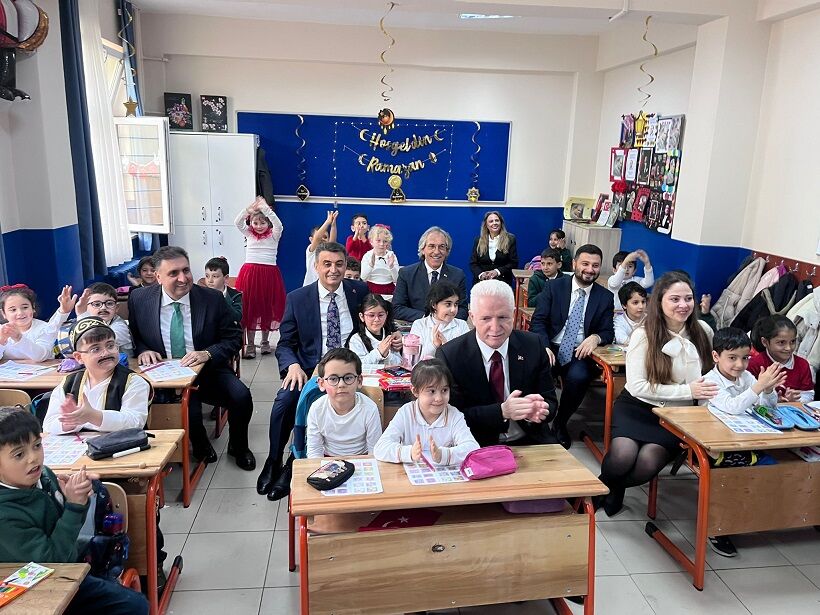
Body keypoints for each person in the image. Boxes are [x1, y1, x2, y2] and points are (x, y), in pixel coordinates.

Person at [0, 407, 149, 615]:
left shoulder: (43, 476)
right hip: (37, 588)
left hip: (64, 571)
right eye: (19, 454)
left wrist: (77, 495)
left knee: (134, 603)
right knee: (133, 606)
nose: (33, 458)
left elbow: (67, 534)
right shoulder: (5, 515)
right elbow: (52, 563)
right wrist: (74, 506)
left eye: (37, 445)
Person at [596, 272, 717, 517]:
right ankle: (602, 489)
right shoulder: (644, 334)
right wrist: (688, 390)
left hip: (675, 416)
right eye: (675, 299)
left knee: (647, 462)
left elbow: (710, 376)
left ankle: (609, 487)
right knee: (622, 456)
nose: (683, 305)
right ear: (659, 302)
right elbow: (637, 386)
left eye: (688, 298)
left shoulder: (703, 331)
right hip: (637, 407)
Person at [257, 242, 369, 501]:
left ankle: (294, 461)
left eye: (339, 264)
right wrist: (292, 365)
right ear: (316, 266)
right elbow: (285, 343)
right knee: (285, 401)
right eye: (327, 264)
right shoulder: (298, 298)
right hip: (309, 369)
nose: (333, 270)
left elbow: (374, 321)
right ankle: (274, 460)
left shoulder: (358, 291)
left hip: (349, 369)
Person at [128, 246, 254, 470]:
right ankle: (200, 443)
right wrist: (144, 349)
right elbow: (135, 335)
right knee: (189, 406)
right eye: (173, 273)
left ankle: (238, 446)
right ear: (158, 277)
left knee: (241, 396)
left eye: (186, 270)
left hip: (206, 370)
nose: (183, 278)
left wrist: (207, 353)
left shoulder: (211, 299)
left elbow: (233, 338)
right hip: (162, 375)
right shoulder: (139, 299)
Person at [436, 280, 558, 447]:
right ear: (472, 317)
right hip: (476, 444)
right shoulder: (450, 355)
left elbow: (551, 402)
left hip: (530, 441)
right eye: (486, 318)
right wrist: (502, 411)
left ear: (513, 314)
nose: (495, 328)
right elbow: (451, 415)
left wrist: (538, 409)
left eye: (502, 317)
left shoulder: (533, 345)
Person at [701, 327, 786, 557]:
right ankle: (718, 528)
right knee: (737, 477)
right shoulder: (709, 381)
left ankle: (751, 517)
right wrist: (759, 386)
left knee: (779, 466)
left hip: (744, 440)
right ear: (716, 356)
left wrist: (768, 390)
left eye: (745, 358)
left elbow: (767, 408)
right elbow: (733, 407)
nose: (740, 364)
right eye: (732, 358)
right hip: (714, 447)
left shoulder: (746, 377)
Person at [530, 244, 615, 448]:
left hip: (580, 351)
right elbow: (538, 321)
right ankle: (536, 423)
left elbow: (607, 332)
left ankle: (560, 423)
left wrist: (596, 337)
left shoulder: (605, 297)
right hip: (551, 346)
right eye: (585, 264)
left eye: (595, 265)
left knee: (579, 377)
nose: (590, 269)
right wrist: (544, 346)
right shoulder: (554, 287)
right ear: (574, 264)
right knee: (535, 371)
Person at [43, 318, 149, 435]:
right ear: (79, 357)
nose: (106, 353)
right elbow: (48, 425)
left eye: (110, 346)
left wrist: (93, 416)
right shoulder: (68, 384)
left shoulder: (133, 382)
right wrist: (70, 422)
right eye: (96, 349)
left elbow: (135, 422)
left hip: (121, 444)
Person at [375, 359, 479, 465]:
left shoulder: (454, 415)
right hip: (410, 473)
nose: (439, 398)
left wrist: (443, 455)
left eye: (444, 390)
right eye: (432, 391)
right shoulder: (406, 413)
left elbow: (473, 449)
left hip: (443, 474)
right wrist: (409, 453)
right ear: (415, 391)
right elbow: (380, 448)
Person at [234, 197, 286, 359]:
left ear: (268, 223)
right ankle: (250, 344)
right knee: (250, 309)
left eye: (262, 223)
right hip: (251, 275)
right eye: (255, 223)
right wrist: (248, 210)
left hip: (269, 275)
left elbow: (279, 225)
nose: (258, 226)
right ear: (251, 223)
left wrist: (266, 210)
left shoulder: (274, 235)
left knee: (266, 309)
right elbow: (237, 222)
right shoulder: (249, 234)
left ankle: (265, 342)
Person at [306, 348, 382, 458]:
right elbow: (314, 451)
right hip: (328, 460)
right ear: (322, 384)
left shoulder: (370, 408)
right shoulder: (316, 409)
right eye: (333, 379)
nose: (341, 384)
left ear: (359, 381)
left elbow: (374, 451)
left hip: (362, 459)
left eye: (348, 378)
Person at [392, 227, 468, 322]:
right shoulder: (406, 274)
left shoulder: (457, 275)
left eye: (441, 247)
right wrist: (428, 318)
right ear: (423, 249)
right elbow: (397, 308)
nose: (436, 252)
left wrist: (445, 321)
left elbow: (463, 310)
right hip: (417, 326)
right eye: (431, 246)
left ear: (447, 251)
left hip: (448, 326)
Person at [0, 284, 77, 362]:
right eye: (13, 310)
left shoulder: (43, 328)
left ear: (33, 308)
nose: (20, 313)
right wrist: (1, 340)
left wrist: (18, 338)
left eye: (25, 307)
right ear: (3, 313)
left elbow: (40, 356)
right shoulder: (2, 330)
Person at [748, 314, 814, 403]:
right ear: (765, 342)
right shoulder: (754, 364)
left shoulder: (803, 364)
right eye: (781, 342)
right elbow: (746, 397)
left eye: (793, 341)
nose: (788, 348)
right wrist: (774, 400)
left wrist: (795, 400)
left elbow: (808, 394)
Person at [409, 281, 470, 359]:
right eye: (448, 304)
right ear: (433, 304)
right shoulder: (419, 325)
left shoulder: (462, 325)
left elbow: (466, 358)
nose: (453, 309)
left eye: (456, 304)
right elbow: (414, 360)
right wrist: (434, 345)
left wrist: (446, 348)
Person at [345, 293, 403, 366]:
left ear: (386, 315)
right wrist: (379, 352)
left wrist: (387, 355)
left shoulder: (391, 336)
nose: (376, 319)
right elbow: (358, 365)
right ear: (362, 316)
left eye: (381, 315)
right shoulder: (356, 339)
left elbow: (400, 363)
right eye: (371, 315)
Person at [75, 283, 133, 354]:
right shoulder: (88, 320)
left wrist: (81, 314)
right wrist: (65, 312)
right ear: (86, 307)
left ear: (116, 308)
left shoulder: (120, 327)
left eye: (109, 303)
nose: (103, 308)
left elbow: (92, 341)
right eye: (97, 304)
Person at [469, 211, 519, 286]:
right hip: (482, 282)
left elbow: (513, 263)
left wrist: (497, 271)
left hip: (502, 281)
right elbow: (473, 263)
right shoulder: (478, 240)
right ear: (486, 225)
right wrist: (481, 274)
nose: (494, 223)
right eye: (491, 221)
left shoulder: (510, 239)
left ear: (501, 223)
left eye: (497, 220)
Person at [360, 224, 400, 298]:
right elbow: (363, 277)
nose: (382, 244)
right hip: (371, 289)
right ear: (371, 241)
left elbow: (396, 278)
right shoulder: (367, 255)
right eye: (378, 241)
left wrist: (391, 266)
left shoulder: (391, 256)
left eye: (385, 241)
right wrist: (370, 265)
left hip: (389, 289)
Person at [204, 256, 243, 324]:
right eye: (207, 276)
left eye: (215, 276)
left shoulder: (235, 295)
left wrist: (221, 299)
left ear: (226, 278)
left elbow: (237, 316)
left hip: (228, 329)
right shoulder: (202, 294)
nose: (210, 280)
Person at [304, 210, 338, 286]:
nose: (322, 239)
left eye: (325, 237)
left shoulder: (328, 251)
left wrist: (333, 224)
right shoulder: (311, 251)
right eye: (320, 237)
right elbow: (317, 238)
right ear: (311, 239)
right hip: (310, 287)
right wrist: (328, 221)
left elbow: (332, 241)